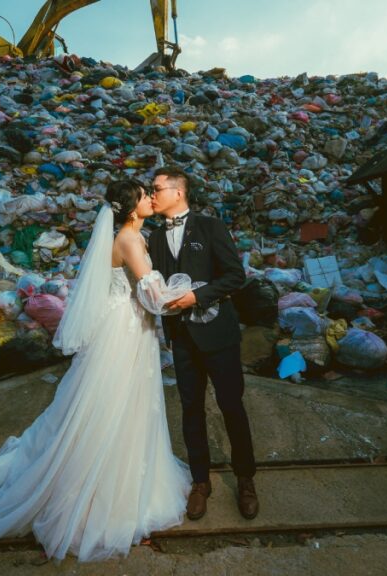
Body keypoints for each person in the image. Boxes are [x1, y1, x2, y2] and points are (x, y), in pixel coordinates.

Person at [0, 180, 191, 562]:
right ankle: (98, 491)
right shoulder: (130, 240)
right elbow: (152, 293)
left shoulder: (130, 234)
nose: (151, 198)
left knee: (117, 404)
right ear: (132, 208)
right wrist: (189, 294)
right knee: (113, 405)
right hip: (125, 330)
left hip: (128, 325)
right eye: (145, 195)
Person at [148, 165, 259, 521]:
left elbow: (234, 276)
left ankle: (245, 480)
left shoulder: (210, 226)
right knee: (190, 408)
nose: (152, 195)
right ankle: (200, 482)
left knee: (231, 405)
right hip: (181, 337)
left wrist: (198, 298)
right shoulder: (153, 237)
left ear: (178, 192)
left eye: (157, 189)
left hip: (218, 334)